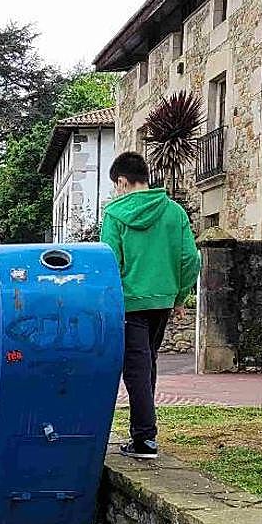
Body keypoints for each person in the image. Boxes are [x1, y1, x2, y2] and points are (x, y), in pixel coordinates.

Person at [101, 151, 201, 460]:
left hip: (129, 303)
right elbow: (190, 259)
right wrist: (181, 296)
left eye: (116, 186)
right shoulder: (174, 212)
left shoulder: (115, 216)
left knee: (136, 370)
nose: (116, 192)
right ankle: (144, 431)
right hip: (162, 301)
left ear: (122, 181)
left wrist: (109, 301)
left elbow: (110, 263)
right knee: (147, 365)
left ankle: (145, 438)